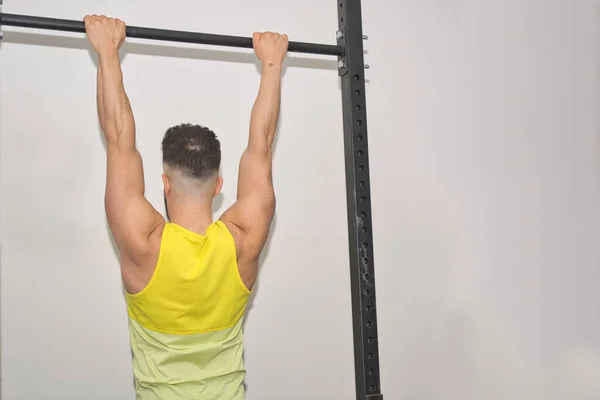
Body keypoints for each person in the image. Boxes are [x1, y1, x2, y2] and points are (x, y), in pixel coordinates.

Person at [83, 14, 288, 400]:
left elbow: (117, 137)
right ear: (219, 186)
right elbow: (261, 143)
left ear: (164, 183)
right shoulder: (244, 239)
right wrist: (272, 65)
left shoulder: (144, 245)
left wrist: (108, 51)